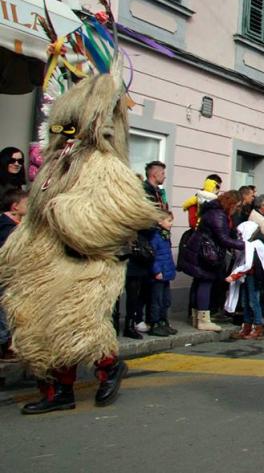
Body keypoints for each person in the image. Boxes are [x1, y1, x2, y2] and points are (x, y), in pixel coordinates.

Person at [0, 60, 160, 415]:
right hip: (45, 259)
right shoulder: (55, 163)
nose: (65, 133)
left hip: (83, 262)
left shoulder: (105, 165)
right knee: (37, 324)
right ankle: (58, 392)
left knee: (78, 324)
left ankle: (108, 368)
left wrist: (65, 213)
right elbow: (36, 212)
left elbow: (120, 214)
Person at [182, 190, 245, 331]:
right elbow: (223, 238)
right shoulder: (218, 214)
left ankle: (195, 317)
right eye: (237, 205)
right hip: (206, 254)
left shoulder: (212, 210)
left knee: (199, 282)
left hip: (198, 250)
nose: (237, 209)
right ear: (231, 203)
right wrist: (244, 245)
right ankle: (203, 320)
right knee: (206, 282)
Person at [0, 188, 28, 360]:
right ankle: (5, 345)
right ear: (15, 206)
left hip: (15, 277)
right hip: (5, 276)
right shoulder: (6, 227)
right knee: (4, 309)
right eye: (27, 203)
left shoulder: (18, 226)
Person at [148, 211, 177, 337]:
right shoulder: (155, 236)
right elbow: (153, 255)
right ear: (160, 221)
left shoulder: (165, 235)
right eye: (169, 221)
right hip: (159, 273)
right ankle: (155, 324)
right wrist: (157, 271)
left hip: (166, 271)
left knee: (166, 300)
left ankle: (163, 321)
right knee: (157, 300)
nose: (171, 224)